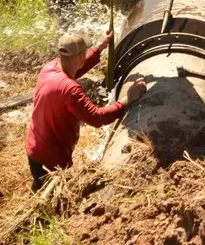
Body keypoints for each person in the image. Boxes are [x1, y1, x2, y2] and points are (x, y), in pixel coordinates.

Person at [25, 31, 147, 192]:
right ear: (80, 56)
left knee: (38, 186)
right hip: (51, 158)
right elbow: (96, 118)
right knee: (49, 196)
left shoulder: (50, 68)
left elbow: (76, 68)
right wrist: (127, 100)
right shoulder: (71, 90)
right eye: (84, 52)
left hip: (34, 146)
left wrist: (101, 47)